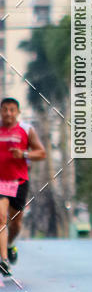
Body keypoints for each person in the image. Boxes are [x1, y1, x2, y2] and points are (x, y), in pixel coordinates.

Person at [0, 97, 46, 275]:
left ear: (17, 112)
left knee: (16, 223)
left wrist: (24, 154)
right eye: (5, 109)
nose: (8, 113)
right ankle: (3, 260)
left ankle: (10, 245)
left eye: (12, 109)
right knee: (1, 219)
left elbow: (41, 153)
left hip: (19, 182)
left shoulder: (26, 130)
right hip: (1, 182)